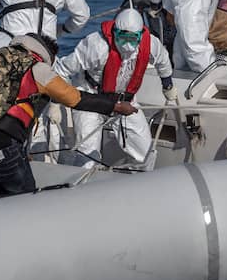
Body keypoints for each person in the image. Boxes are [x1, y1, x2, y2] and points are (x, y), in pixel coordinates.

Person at [0, 34, 137, 196]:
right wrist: (116, 106)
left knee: (1, 199)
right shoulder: (37, 68)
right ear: (47, 55)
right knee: (23, 200)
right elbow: (75, 99)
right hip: (0, 144)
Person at [54, 9, 176, 169]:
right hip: (92, 99)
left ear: (140, 35)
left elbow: (163, 62)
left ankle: (130, 184)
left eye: (132, 39)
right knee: (87, 157)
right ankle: (83, 187)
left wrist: (168, 88)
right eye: (122, 37)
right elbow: (63, 69)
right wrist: (55, 101)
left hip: (125, 102)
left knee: (146, 154)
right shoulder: (95, 46)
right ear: (114, 32)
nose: (126, 43)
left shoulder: (152, 45)